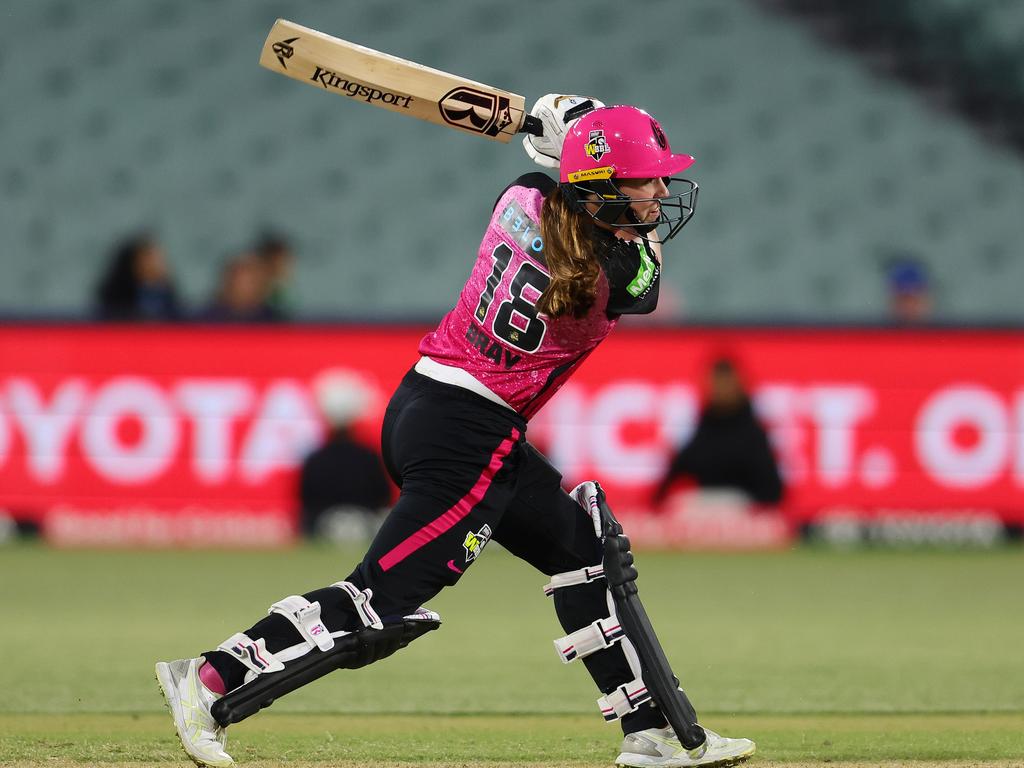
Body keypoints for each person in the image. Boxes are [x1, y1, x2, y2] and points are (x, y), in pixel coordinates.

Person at [156, 97, 754, 768]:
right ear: (604, 189)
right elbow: (643, 277)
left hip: (427, 398)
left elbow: (549, 188)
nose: (663, 192)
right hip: (470, 435)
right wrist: (578, 148)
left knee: (581, 549)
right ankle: (210, 683)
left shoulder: (523, 197)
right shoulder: (614, 275)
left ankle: (654, 734)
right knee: (381, 603)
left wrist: (563, 148)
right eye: (647, 179)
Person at [654, 358, 783, 506]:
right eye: (716, 382)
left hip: (742, 512)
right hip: (705, 513)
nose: (720, 389)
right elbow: (675, 472)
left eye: (726, 382)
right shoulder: (702, 429)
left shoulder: (753, 435)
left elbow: (773, 491)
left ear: (739, 385)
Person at [299, 371, 392, 539]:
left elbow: (306, 501)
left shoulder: (315, 460)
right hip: (367, 531)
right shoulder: (369, 457)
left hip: (321, 533)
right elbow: (383, 497)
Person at [95, 233, 182, 321]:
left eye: (159, 258)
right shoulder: (117, 302)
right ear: (134, 263)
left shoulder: (168, 297)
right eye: (150, 258)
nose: (159, 264)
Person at [200, 252, 282, 322]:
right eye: (239, 280)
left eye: (252, 281)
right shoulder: (202, 322)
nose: (245, 288)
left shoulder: (276, 324)